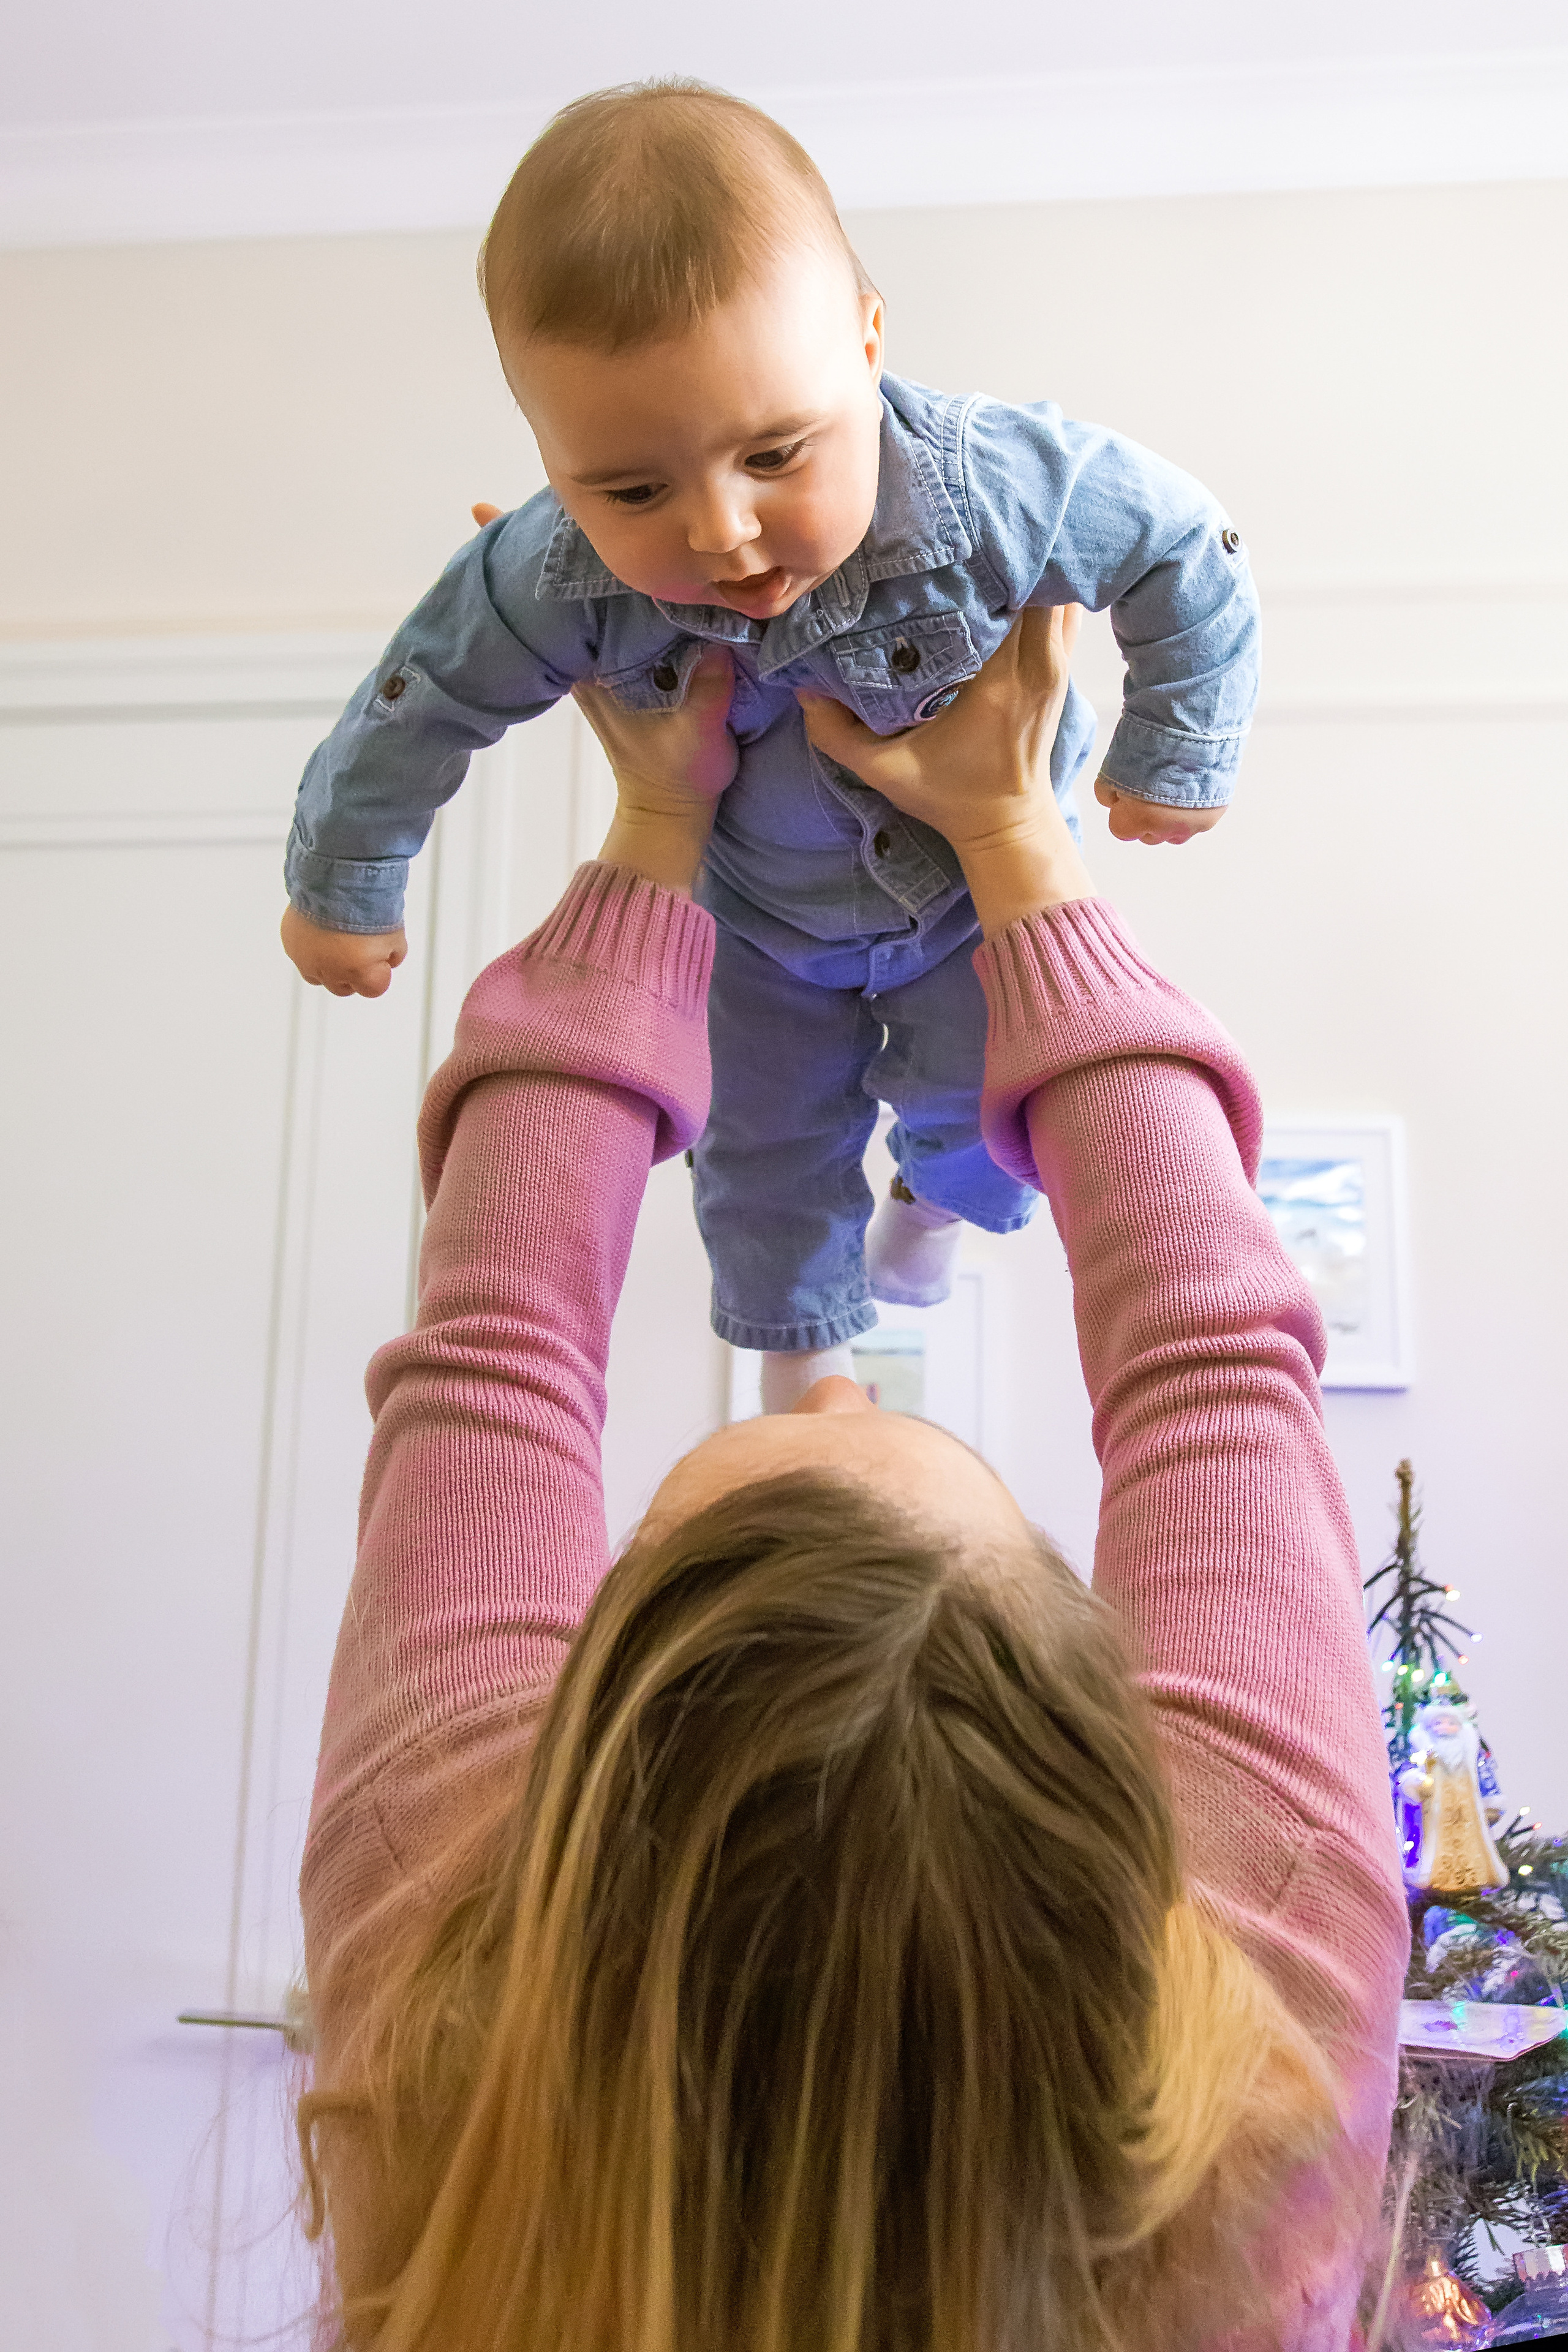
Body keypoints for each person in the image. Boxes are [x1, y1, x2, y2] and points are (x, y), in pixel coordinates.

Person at [295, 607, 1406, 2352]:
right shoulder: (428, 2044)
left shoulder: (1263, 2095)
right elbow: (1214, 1362)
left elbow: (492, 1353)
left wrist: (688, 833)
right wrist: (1010, 834)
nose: (822, 1396)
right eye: (865, 1430)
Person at [279, 79, 1259, 1411]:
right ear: (546, 465)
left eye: (775, 453)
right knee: (758, 1146)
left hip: (975, 910)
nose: (719, 532)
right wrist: (347, 881)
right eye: (630, 488)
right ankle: (803, 1363)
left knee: (982, 1124)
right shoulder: (546, 571)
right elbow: (415, 701)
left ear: (864, 341)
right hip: (755, 923)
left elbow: (1180, 547)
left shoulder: (997, 482)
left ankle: (927, 1208)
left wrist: (1171, 750)